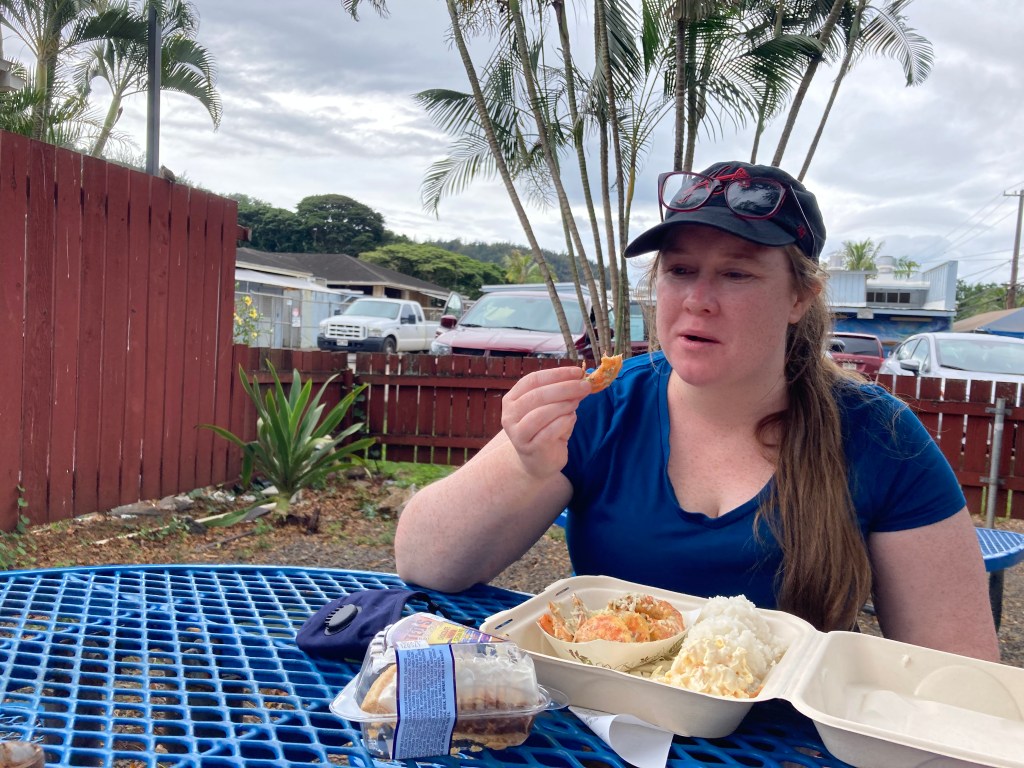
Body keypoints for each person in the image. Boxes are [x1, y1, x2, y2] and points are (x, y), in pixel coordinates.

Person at [394, 161, 1000, 661]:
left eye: (736, 274)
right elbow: (426, 563)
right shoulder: (603, 403)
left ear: (799, 297)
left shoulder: (880, 436)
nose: (698, 301)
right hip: (605, 728)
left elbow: (961, 670)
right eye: (680, 271)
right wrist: (525, 470)